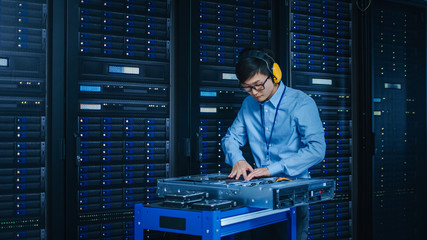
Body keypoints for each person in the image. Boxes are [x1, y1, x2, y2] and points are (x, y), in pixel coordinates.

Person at [221, 47, 326, 240]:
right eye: (247, 87)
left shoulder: (301, 103)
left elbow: (317, 149)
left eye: (258, 85)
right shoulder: (248, 105)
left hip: (292, 193)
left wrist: (273, 168)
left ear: (274, 74)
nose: (254, 92)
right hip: (258, 194)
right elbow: (230, 139)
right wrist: (237, 159)